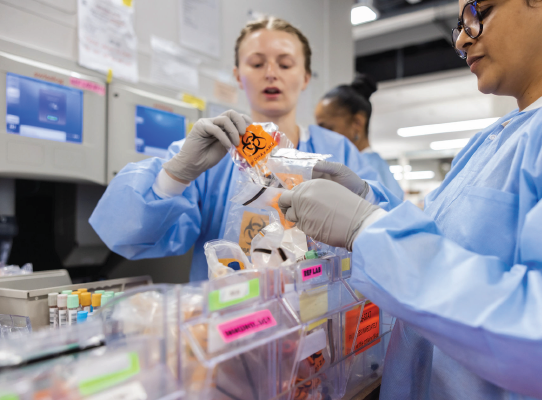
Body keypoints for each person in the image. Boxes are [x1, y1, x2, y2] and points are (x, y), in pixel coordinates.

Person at [278, 0, 542, 398]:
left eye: (477, 13)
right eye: (458, 24)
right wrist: (370, 202)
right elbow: (451, 248)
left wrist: (369, 230)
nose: (461, 37)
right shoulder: (493, 138)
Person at [89, 17, 399, 282]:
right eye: (256, 63)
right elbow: (126, 235)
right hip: (230, 323)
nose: (270, 73)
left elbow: (394, 225)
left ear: (305, 77)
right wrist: (175, 175)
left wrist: (362, 196)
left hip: (319, 319)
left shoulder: (336, 151)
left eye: (285, 63)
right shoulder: (210, 150)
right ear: (238, 75)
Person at [315, 75, 404, 198]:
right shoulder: (375, 166)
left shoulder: (364, 171)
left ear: (357, 123)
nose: (321, 137)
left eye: (329, 129)